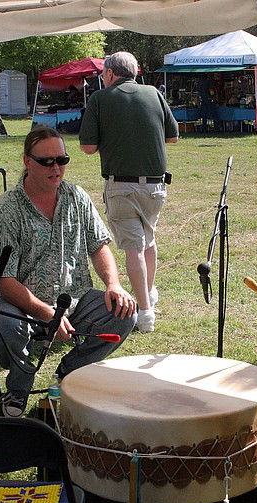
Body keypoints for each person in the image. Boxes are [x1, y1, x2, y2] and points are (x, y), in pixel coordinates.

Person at [0, 126, 137, 418]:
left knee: (125, 312)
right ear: (27, 162)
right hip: (21, 304)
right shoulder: (7, 209)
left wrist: (113, 284)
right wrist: (46, 313)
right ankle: (18, 388)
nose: (55, 168)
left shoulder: (76, 197)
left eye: (61, 160)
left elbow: (99, 246)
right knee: (4, 326)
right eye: (46, 161)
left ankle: (69, 377)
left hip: (73, 298)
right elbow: (4, 281)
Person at [79, 51, 179, 332]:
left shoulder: (100, 98)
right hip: (156, 186)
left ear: (110, 73)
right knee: (149, 240)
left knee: (134, 248)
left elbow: (87, 147)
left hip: (121, 186)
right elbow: (172, 136)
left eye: (103, 74)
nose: (102, 78)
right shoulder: (154, 94)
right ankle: (149, 293)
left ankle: (145, 314)